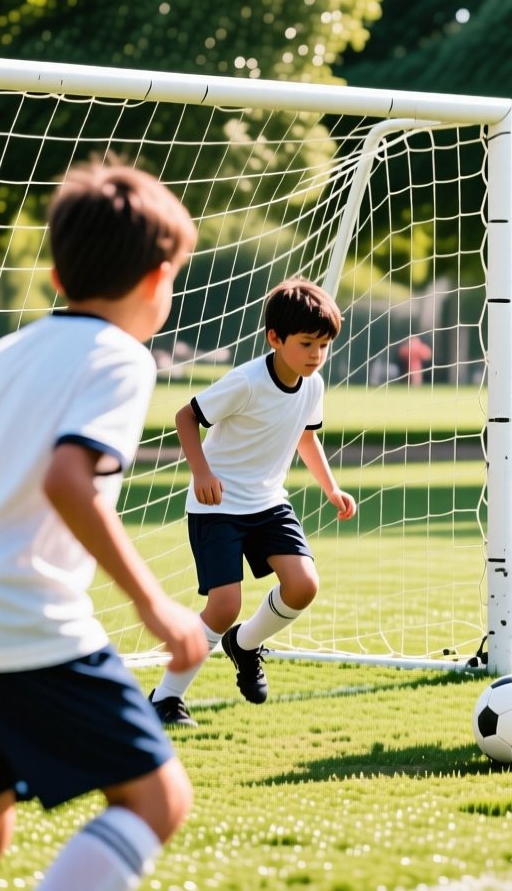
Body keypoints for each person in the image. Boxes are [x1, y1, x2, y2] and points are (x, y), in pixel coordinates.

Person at [0, 161, 207, 891]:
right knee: (157, 798)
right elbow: (67, 479)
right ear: (158, 279)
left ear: (56, 275)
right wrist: (154, 604)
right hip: (17, 614)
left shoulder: (9, 353)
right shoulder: (120, 359)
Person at [148, 278, 359, 727]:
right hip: (218, 506)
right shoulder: (245, 382)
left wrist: (331, 487)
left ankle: (244, 645)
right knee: (223, 607)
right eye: (306, 344)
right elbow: (186, 417)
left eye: (323, 345)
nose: (316, 354)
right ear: (275, 339)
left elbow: (305, 437)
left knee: (303, 585)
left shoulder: (312, 385)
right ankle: (165, 698)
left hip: (268, 504)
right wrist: (201, 472)